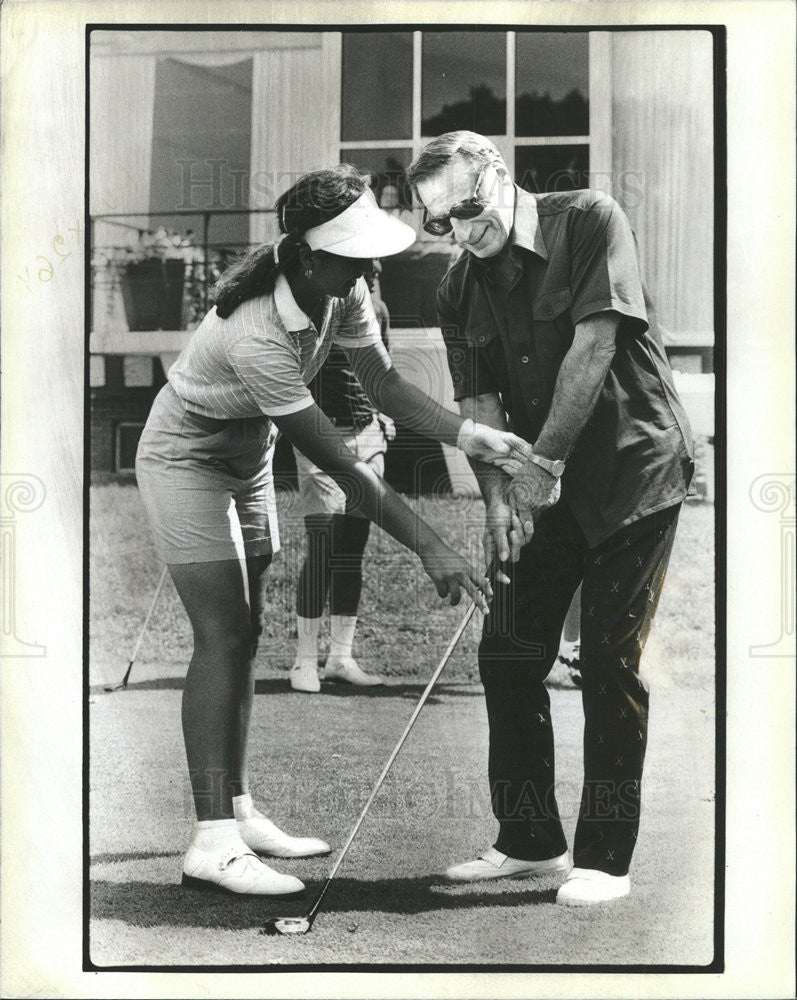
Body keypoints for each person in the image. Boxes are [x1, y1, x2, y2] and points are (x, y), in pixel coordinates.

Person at [135, 164, 532, 898]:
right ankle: (209, 842)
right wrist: (430, 544)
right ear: (308, 255)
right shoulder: (255, 332)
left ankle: (239, 810)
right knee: (221, 635)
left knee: (248, 633)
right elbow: (346, 467)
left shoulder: (344, 290)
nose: (372, 265)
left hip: (247, 459)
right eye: (355, 252)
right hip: (183, 460)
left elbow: (382, 387)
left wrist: (467, 432)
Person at [407, 132, 694, 905]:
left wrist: (543, 465)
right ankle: (529, 842)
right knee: (506, 654)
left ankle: (604, 859)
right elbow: (477, 402)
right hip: (542, 484)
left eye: (468, 208)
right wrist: (499, 497)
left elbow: (594, 346)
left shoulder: (589, 219)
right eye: (442, 224)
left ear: (497, 175)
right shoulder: (456, 287)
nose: (463, 232)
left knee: (606, 660)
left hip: (635, 472)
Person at [289, 261, 394, 691]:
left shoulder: (379, 309)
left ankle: (340, 658)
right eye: (362, 271)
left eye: (374, 273)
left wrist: (385, 420)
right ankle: (303, 661)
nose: (368, 281)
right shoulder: (315, 304)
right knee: (323, 544)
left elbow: (385, 370)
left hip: (367, 432)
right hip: (320, 431)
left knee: (353, 545)